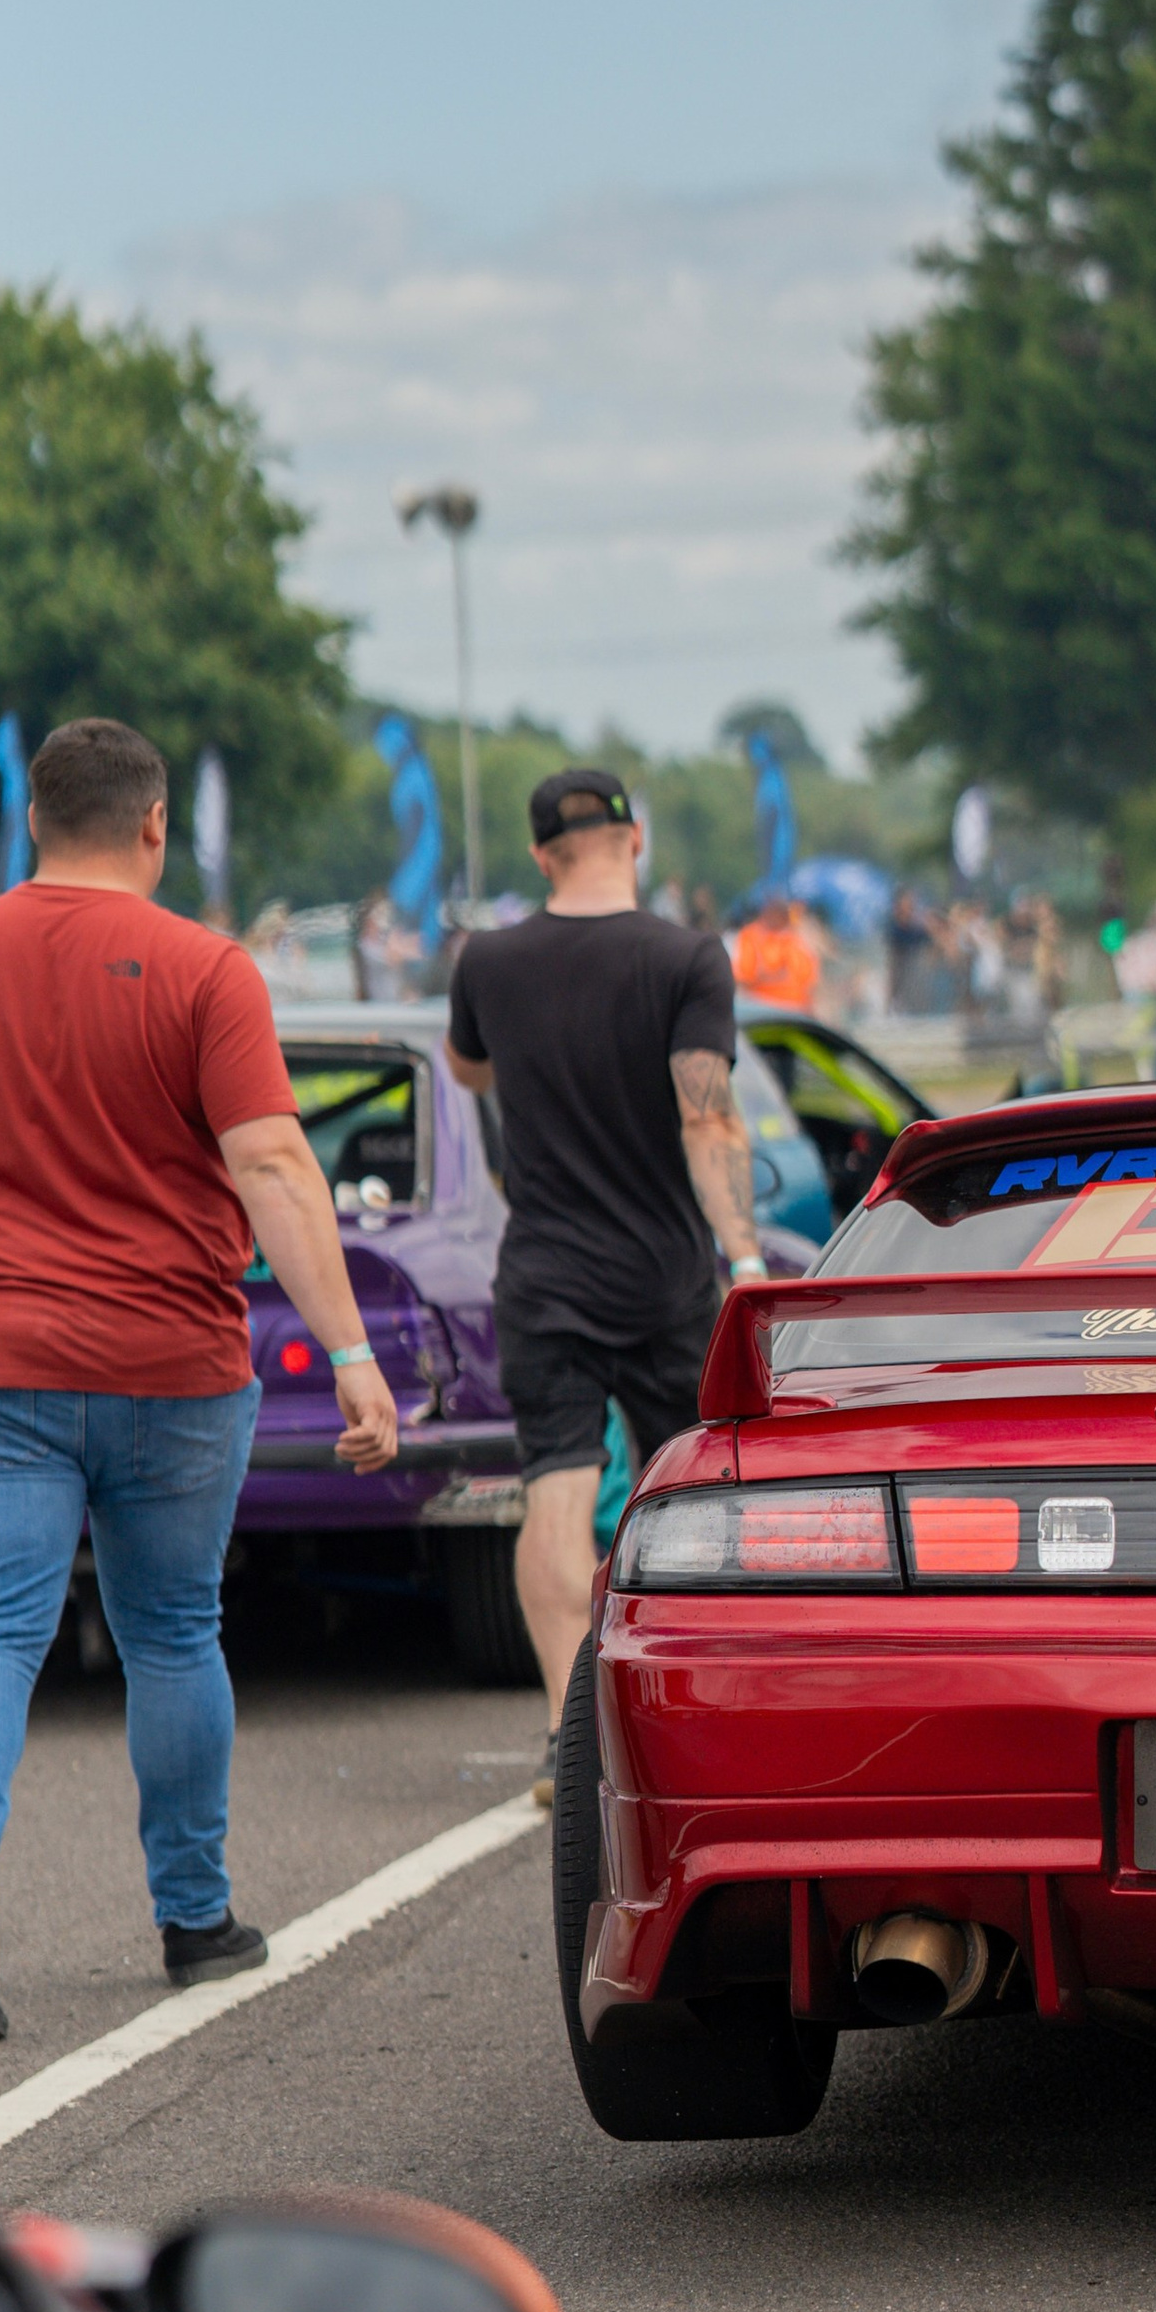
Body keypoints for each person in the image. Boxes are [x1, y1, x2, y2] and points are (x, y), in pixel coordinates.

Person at [0, 718, 400, 2042]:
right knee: (173, 1633)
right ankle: (196, 1919)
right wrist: (356, 1361)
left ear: (33, 818)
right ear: (156, 826)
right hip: (174, 1363)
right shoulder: (208, 970)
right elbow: (271, 1166)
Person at [444, 769, 762, 1796]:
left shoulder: (486, 960)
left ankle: (563, 1738)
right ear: (635, 839)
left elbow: (467, 1069)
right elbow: (705, 1114)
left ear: (540, 855)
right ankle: (697, 1727)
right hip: (664, 1275)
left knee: (557, 1493)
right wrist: (746, 1255)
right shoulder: (684, 957)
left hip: (542, 1276)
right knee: (698, 1497)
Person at [733, 889, 820, 1009]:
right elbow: (745, 978)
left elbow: (809, 982)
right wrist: (772, 974)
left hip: (796, 1010)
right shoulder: (751, 937)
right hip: (763, 1009)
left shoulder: (796, 940)